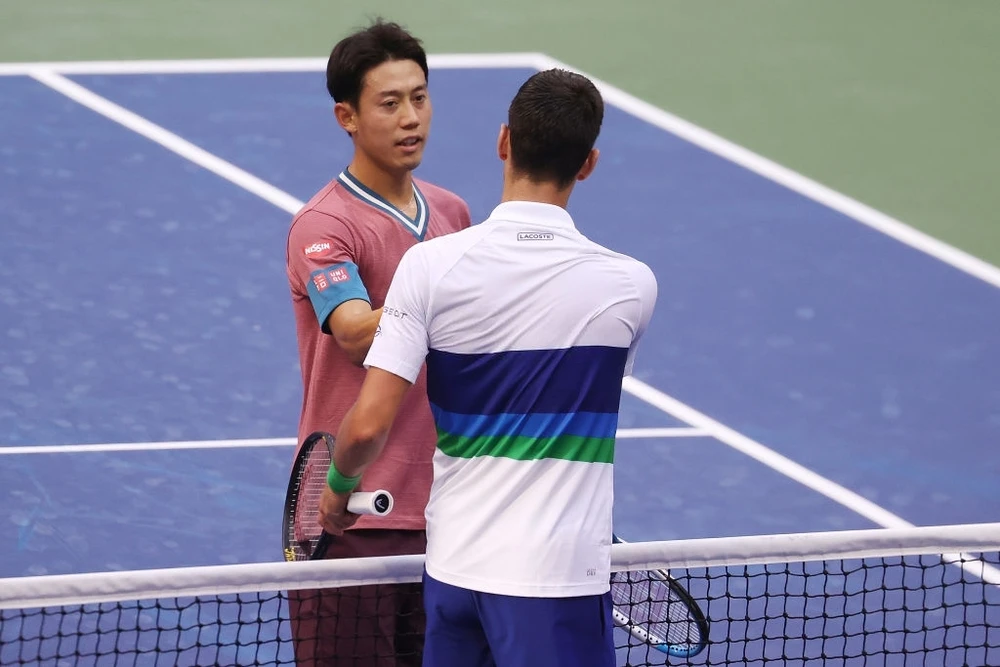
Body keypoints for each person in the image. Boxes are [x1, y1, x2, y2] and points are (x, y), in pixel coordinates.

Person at [318, 68, 658, 667]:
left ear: (504, 141)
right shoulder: (630, 287)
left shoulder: (428, 268)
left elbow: (368, 425)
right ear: (588, 164)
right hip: (555, 581)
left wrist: (338, 490)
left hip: (453, 575)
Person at [284, 18, 471, 667]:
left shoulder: (452, 214)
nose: (410, 117)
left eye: (419, 97)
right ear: (347, 116)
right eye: (389, 103)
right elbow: (356, 332)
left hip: (447, 514)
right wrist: (453, 287)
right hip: (351, 515)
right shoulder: (324, 225)